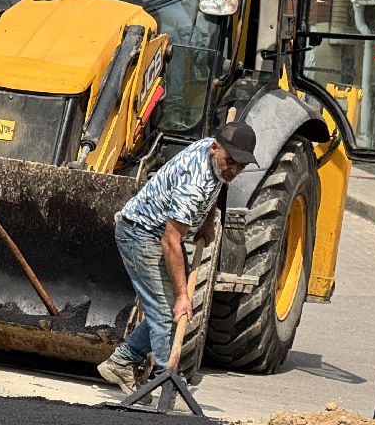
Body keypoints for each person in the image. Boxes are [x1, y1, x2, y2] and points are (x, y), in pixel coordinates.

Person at [97, 122, 258, 392]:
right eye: (231, 162)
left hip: (161, 232)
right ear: (215, 147)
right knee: (166, 308)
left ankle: (122, 361)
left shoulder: (213, 154)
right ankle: (166, 378)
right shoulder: (193, 186)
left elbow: (217, 183)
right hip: (142, 233)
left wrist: (208, 221)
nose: (234, 170)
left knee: (169, 309)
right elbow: (171, 241)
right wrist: (183, 296)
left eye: (241, 166)